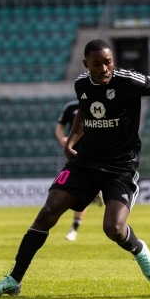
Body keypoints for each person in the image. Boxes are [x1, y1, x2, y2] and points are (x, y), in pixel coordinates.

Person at [0, 39, 150, 296]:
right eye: (97, 64)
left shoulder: (129, 81)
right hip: (85, 162)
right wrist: (70, 141)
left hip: (120, 167)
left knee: (113, 229)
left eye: (108, 63)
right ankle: (13, 280)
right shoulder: (81, 84)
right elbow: (85, 112)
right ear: (86, 64)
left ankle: (137, 247)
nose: (105, 68)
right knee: (48, 212)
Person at [55, 99, 104, 242]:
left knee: (83, 188)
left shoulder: (102, 104)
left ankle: (98, 189)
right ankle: (74, 228)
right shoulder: (71, 106)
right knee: (80, 191)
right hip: (75, 154)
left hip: (96, 152)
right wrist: (62, 139)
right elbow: (59, 128)